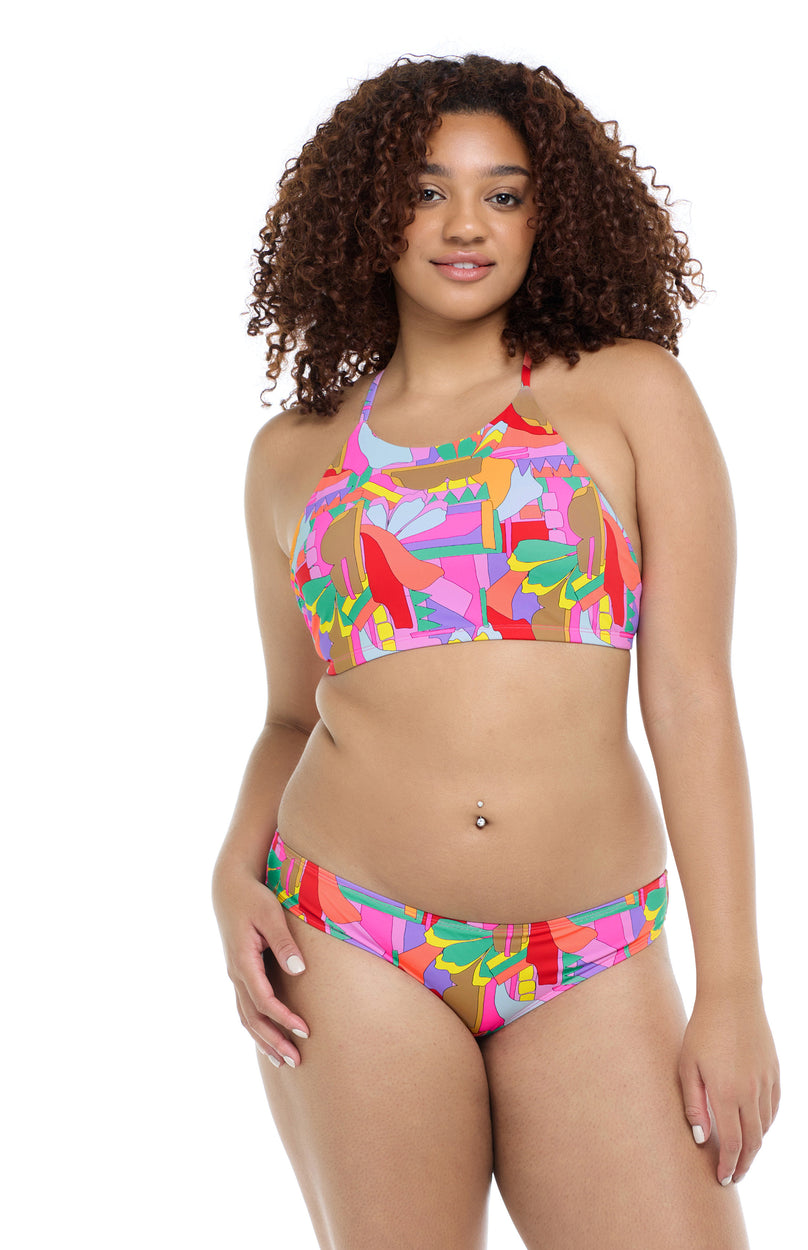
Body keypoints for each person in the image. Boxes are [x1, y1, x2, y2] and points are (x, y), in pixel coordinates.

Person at [212, 51, 779, 1249]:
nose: (464, 224)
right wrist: (229, 871)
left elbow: (690, 694)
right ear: (369, 215)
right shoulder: (293, 456)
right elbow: (290, 716)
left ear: (546, 216)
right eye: (426, 191)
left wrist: (732, 984)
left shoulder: (628, 396)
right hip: (349, 931)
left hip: (589, 948)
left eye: (503, 193)